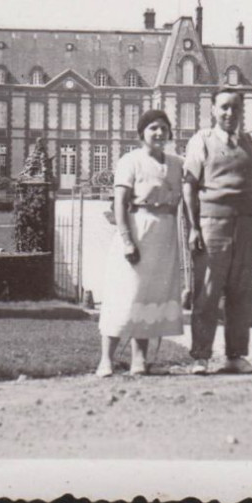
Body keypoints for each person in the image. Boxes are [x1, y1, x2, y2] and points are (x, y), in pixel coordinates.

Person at [181, 87, 252, 374]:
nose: (229, 113)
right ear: (213, 110)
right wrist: (194, 228)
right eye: (224, 108)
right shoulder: (201, 141)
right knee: (207, 292)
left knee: (241, 292)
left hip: (245, 225)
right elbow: (189, 186)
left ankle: (235, 356)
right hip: (212, 224)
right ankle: (201, 357)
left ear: (242, 111)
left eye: (235, 108)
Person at [95, 109, 185, 377]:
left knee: (150, 296)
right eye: (153, 128)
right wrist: (127, 241)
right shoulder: (130, 161)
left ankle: (139, 361)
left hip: (165, 234)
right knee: (126, 295)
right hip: (137, 229)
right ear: (142, 133)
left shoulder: (177, 162)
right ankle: (106, 360)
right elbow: (120, 203)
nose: (159, 133)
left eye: (163, 128)